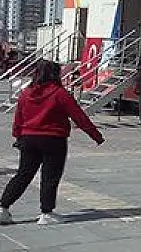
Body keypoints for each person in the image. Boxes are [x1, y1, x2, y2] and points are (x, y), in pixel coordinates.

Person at [0, 60, 104, 226]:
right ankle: (46, 213)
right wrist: (96, 136)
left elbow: (18, 118)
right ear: (55, 74)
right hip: (53, 139)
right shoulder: (59, 93)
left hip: (28, 138)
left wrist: (17, 136)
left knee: (23, 175)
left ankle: (3, 208)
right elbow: (79, 116)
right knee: (49, 177)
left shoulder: (26, 93)